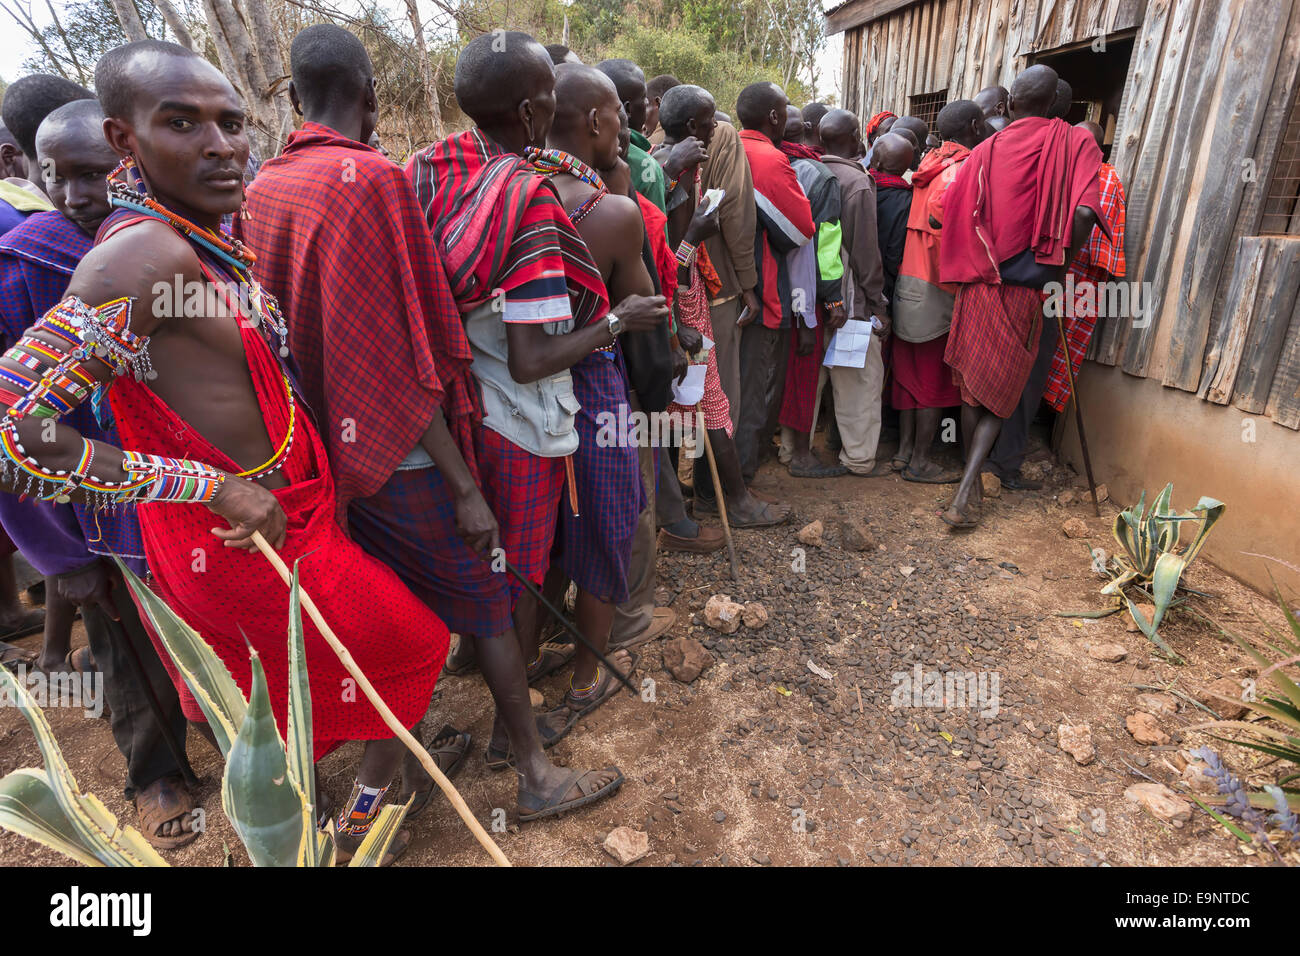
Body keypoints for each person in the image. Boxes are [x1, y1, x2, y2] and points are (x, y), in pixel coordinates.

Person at [0, 39, 462, 863]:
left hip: (288, 522)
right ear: (123, 141)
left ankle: (348, 806)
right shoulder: (140, 257)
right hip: (240, 537)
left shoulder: (201, 238)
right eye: (182, 123)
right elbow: (12, 431)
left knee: (309, 680)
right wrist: (207, 487)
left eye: (231, 122)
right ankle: (360, 826)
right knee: (415, 643)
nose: (220, 144)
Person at [240, 22, 507, 804]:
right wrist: (465, 486)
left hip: (318, 443)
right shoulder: (375, 179)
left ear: (291, 97)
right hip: (401, 449)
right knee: (480, 598)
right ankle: (512, 763)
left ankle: (400, 757)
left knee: (380, 607)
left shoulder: (262, 186)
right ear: (374, 95)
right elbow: (405, 355)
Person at [407, 31, 663, 813]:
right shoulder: (559, 202)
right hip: (548, 398)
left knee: (519, 563)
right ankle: (563, 699)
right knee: (581, 542)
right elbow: (537, 353)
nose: (623, 124)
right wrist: (623, 320)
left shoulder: (435, 173)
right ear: (543, 112)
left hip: (472, 403)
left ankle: (508, 705)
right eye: (613, 113)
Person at [0, 98, 198, 850]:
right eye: (57, 175)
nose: (77, 194)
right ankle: (158, 772)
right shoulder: (19, 266)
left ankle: (247, 745)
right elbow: (12, 436)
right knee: (123, 645)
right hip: (94, 513)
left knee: (206, 629)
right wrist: (59, 556)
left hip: (185, 492)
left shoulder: (171, 245)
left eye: (95, 175)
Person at [529, 62, 662, 739]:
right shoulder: (608, 213)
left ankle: (520, 663)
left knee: (536, 536)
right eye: (619, 115)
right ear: (594, 122)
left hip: (512, 398)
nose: (628, 127)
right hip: (591, 390)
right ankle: (586, 678)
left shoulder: (501, 192)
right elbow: (645, 320)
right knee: (607, 526)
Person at [939, 65, 1104, 529]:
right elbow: (1087, 211)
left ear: (1011, 104)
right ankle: (967, 488)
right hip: (1024, 290)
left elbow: (952, 211)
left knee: (974, 389)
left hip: (978, 285)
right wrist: (1059, 264)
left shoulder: (987, 148)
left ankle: (968, 487)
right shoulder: (1075, 141)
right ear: (1059, 106)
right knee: (1001, 395)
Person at [658, 84, 788, 527]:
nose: (718, 126)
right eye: (711, 119)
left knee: (678, 409)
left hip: (683, 302)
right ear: (695, 127)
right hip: (687, 303)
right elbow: (670, 260)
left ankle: (680, 508)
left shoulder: (669, 164)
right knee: (713, 404)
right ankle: (730, 501)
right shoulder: (672, 174)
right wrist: (698, 235)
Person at [891, 99, 989, 483]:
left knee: (911, 377)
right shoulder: (960, 168)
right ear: (975, 125)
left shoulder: (929, 163)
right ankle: (920, 462)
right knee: (932, 380)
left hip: (910, 280)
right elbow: (941, 213)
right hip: (936, 287)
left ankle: (903, 455)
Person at [733, 81, 814, 484]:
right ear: (774, 117)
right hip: (762, 293)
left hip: (723, 292)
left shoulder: (721, 148)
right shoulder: (767, 159)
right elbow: (801, 229)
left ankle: (725, 484)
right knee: (755, 391)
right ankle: (742, 484)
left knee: (729, 390)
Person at [818, 109, 891, 477]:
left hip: (808, 299)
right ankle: (859, 457)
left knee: (809, 379)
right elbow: (864, 252)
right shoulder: (856, 183)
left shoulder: (805, 170)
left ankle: (790, 451)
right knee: (858, 380)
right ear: (852, 141)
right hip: (848, 301)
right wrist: (878, 302)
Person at [777, 104, 845, 479]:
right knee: (804, 368)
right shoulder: (820, 176)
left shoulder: (756, 164)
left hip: (764, 286)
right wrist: (833, 295)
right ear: (806, 129)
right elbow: (826, 244)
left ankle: (781, 445)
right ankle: (801, 454)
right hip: (806, 290)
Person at [1041, 120, 1126, 414]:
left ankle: (1040, 419)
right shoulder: (1054, 168)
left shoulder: (1106, 179)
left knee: (1057, 351)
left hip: (1076, 279)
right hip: (1052, 274)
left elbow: (1102, 249)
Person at [645, 73, 680, 142]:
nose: (643, 126)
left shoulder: (650, 146)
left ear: (658, 103)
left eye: (645, 106)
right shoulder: (699, 133)